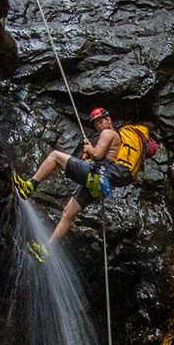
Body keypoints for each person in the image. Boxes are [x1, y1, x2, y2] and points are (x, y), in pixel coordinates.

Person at [13, 107, 146, 260]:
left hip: (97, 175)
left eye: (101, 121)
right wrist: (89, 153)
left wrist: (90, 149)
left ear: (109, 120)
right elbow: (100, 158)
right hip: (100, 183)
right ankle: (47, 249)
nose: (99, 125)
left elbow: (98, 155)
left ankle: (29, 186)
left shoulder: (108, 133)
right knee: (67, 214)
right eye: (96, 124)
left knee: (55, 156)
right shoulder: (115, 138)